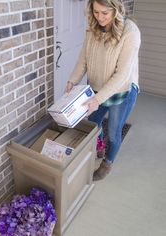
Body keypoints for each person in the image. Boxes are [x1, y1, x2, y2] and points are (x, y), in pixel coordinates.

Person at [65, 0, 141, 181]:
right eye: (96, 12)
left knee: (114, 132)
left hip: (121, 91)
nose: (99, 17)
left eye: (105, 13)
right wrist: (72, 80)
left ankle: (107, 163)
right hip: (97, 89)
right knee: (93, 124)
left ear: (116, 9)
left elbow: (122, 75)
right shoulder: (93, 27)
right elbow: (83, 58)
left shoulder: (130, 32)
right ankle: (99, 145)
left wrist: (97, 100)